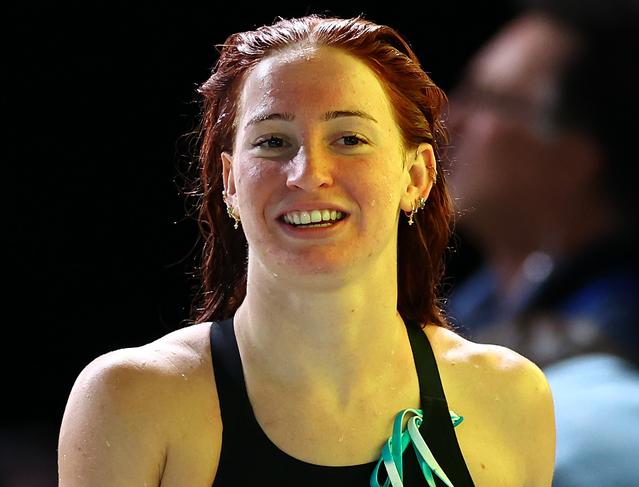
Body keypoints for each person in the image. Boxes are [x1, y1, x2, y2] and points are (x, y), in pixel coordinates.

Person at [57, 15, 555, 486]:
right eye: (273, 141)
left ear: (418, 175)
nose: (308, 173)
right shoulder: (130, 400)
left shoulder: (509, 398)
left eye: (349, 138)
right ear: (230, 184)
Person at [445, 0, 639, 484]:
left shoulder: (623, 338)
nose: (451, 119)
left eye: (491, 100)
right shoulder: (478, 301)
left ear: (577, 155)